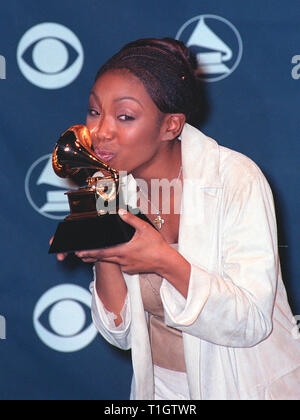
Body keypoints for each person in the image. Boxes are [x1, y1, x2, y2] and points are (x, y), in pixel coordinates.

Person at [55, 38, 300, 400]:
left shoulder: (235, 179)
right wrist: (107, 254)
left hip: (247, 385)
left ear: (171, 126)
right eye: (94, 111)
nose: (100, 132)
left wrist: (164, 261)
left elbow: (250, 322)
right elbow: (120, 334)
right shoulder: (110, 185)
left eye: (124, 116)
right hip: (159, 389)